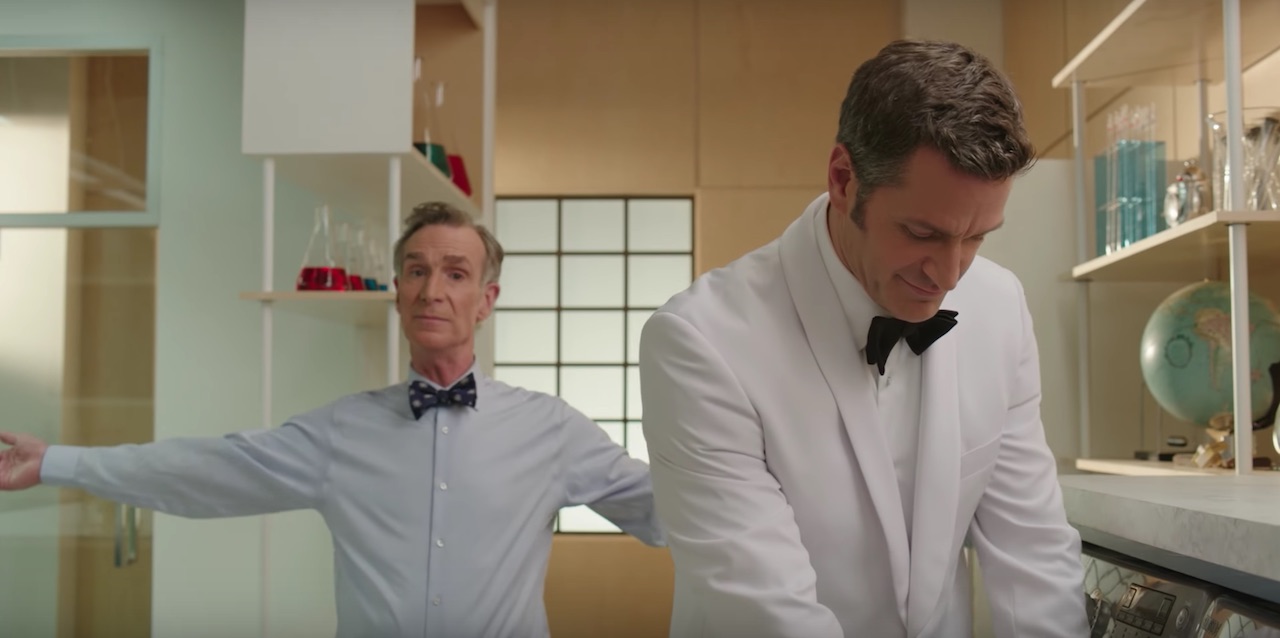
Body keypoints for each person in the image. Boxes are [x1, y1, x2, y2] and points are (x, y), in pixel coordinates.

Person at [0, 201, 664, 638]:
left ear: (486, 299)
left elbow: (666, 512)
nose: (433, 290)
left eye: (456, 274)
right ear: (397, 292)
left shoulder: (549, 430)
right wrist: (55, 461)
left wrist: (727, 450)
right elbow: (205, 471)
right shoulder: (342, 431)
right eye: (416, 271)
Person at [638, 39, 1086, 638]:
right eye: (922, 232)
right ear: (844, 179)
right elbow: (766, 614)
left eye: (978, 236)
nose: (950, 275)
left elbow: (1032, 554)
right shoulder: (700, 343)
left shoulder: (1000, 307)